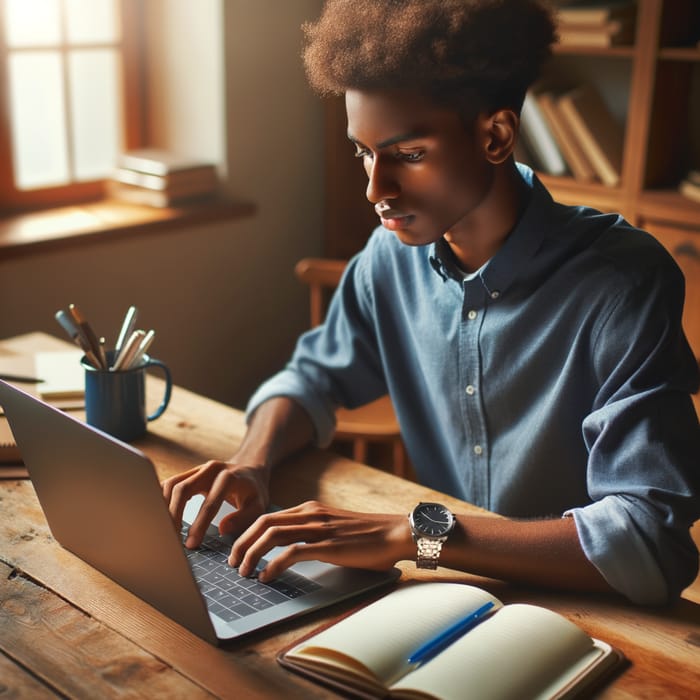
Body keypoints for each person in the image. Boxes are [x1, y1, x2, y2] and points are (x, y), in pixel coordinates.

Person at [162, 0, 700, 606]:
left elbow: (650, 539)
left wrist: (412, 535)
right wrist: (252, 462)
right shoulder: (387, 258)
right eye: (363, 152)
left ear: (495, 135)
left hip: (585, 609)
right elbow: (312, 375)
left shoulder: (622, 282)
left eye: (408, 155)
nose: (375, 189)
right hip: (444, 591)